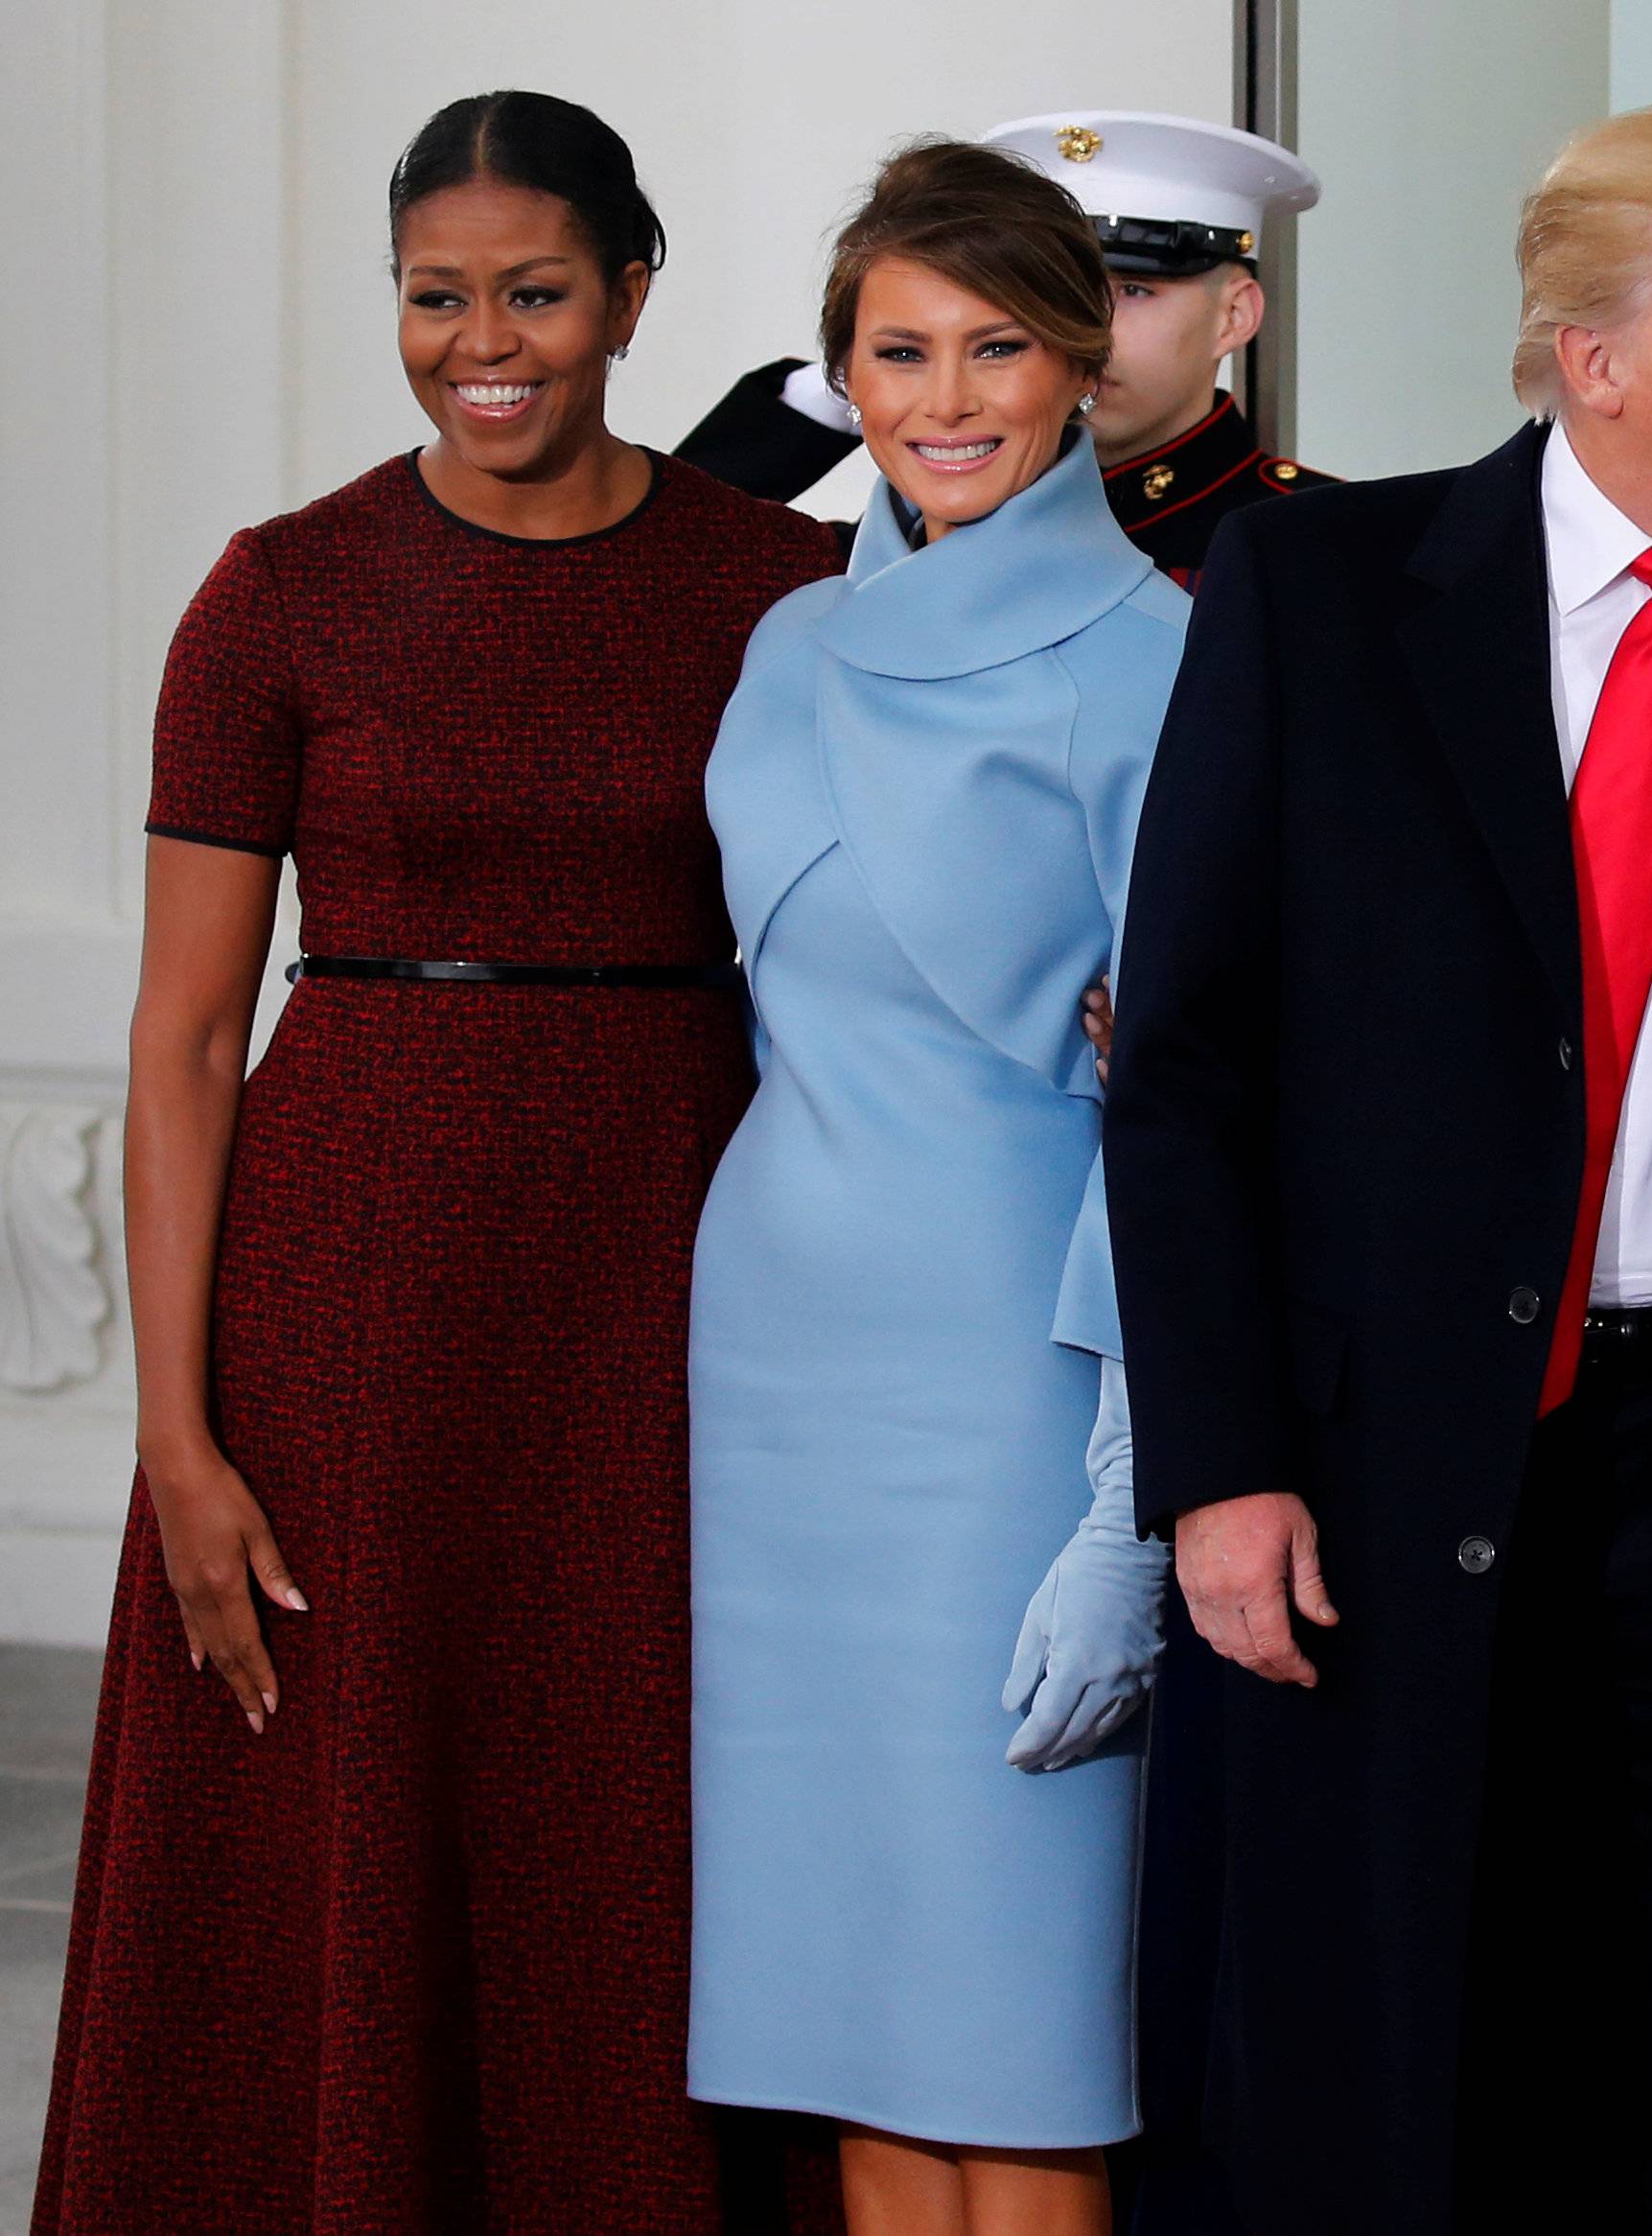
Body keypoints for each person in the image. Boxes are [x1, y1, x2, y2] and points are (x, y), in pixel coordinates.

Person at [33, 91, 846, 2236]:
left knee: (631, 1808)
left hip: (673, 1270)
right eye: (436, 296)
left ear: (634, 297)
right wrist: (180, 1439)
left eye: (537, 292)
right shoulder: (278, 595)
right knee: (334, 1804)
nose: (484, 340)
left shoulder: (789, 587)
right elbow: (189, 1037)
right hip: (345, 1301)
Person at [1106, 102, 1652, 2236]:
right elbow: (1184, 1073)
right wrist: (1218, 1462)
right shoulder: (1319, 587)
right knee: (1401, 2041)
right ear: (1591, 354)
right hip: (1382, 1466)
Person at [686, 140, 1185, 2236]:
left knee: (1018, 2014)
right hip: (780, 1362)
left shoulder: (1161, 651)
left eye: (1000, 346)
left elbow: (1191, 1105)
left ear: (1084, 367)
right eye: (900, 350)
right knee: (847, 2009)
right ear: (839, 374)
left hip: (1012, 1375)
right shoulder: (787, 637)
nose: (949, 396)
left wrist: (1124, 1500)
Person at [676, 113, 1334, 590]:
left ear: (1236, 314)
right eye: (1029, 308)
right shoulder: (905, 532)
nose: (1087, 328)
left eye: (1133, 290)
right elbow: (660, 553)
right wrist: (856, 370)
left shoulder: (1315, 543)